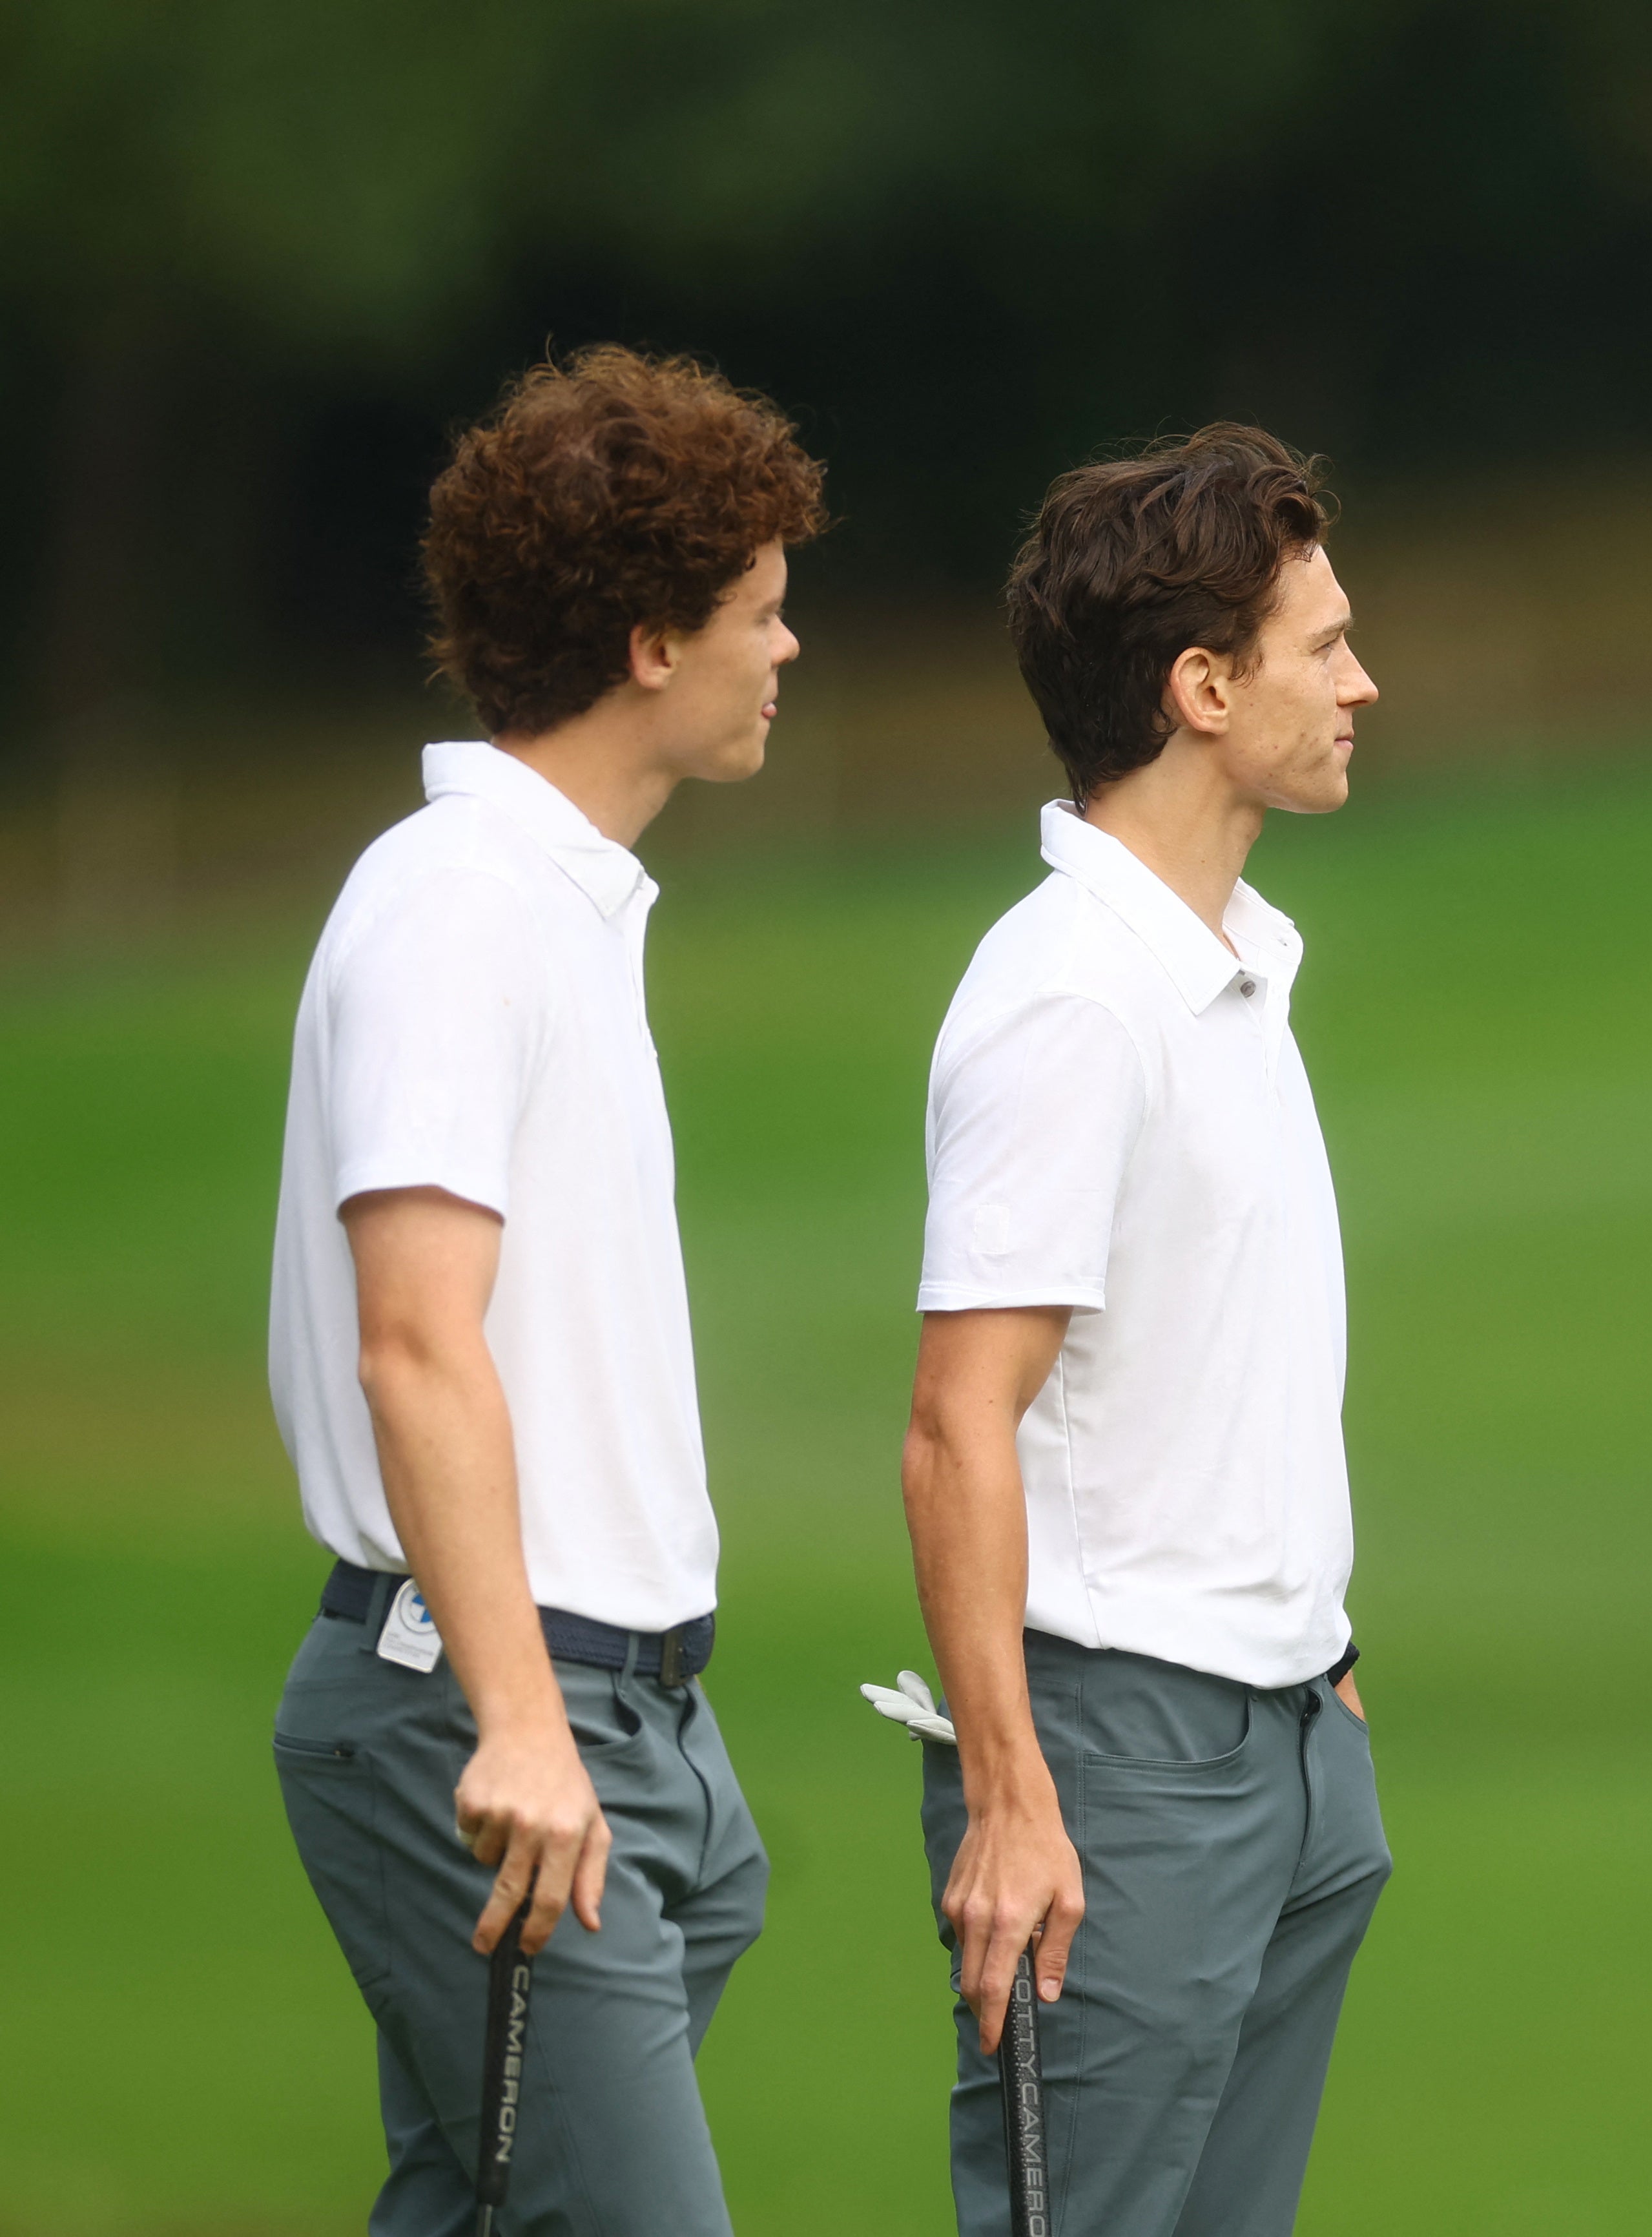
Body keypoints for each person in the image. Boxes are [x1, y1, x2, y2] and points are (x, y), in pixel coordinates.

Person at [266, 346, 825, 2233]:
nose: (791, 646)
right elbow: (416, 1344)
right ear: (654, 642)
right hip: (495, 1715)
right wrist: (521, 1719)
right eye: (761, 607)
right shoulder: (456, 912)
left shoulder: (561, 907)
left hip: (628, 1723)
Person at [901, 424, 1392, 2237]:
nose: (1362, 681)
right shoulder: (1069, 1000)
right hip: (1117, 1777)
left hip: (1284, 1743)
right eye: (1320, 644)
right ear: (1202, 687)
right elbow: (960, 1424)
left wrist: (1310, 1660)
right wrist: (1016, 1804)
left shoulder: (1230, 961)